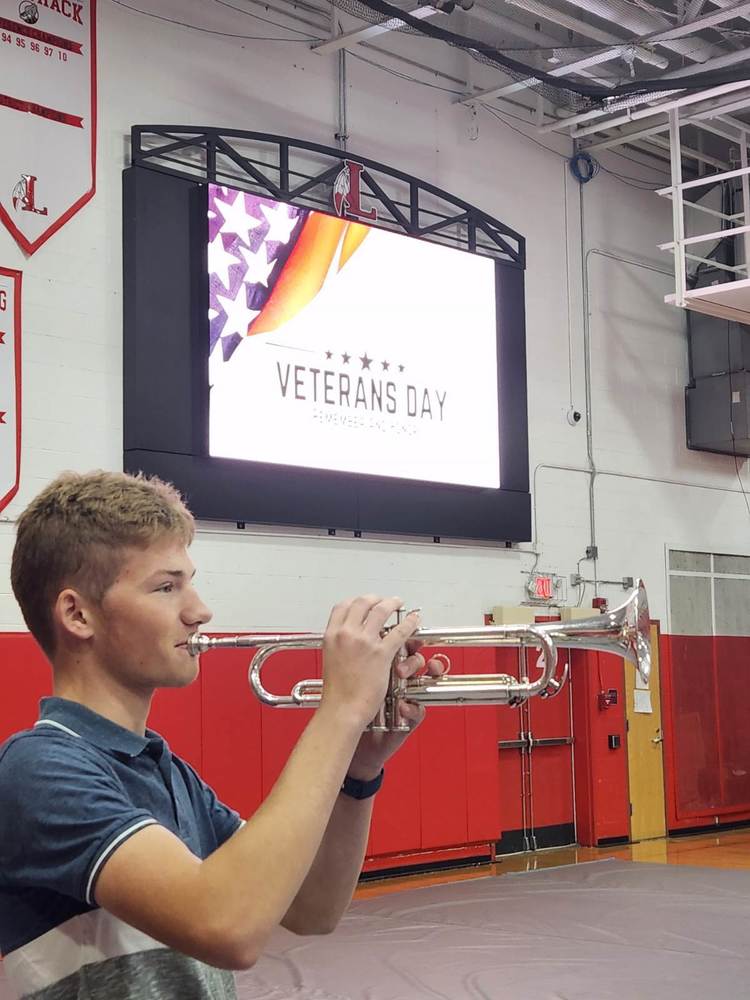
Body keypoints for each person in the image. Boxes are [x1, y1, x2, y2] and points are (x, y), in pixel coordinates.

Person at [0, 470, 446, 1000]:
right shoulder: (39, 768)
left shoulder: (166, 771)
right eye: (167, 587)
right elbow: (228, 927)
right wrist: (343, 709)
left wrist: (358, 769)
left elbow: (313, 909)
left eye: (190, 582)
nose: (200, 611)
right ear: (77, 614)